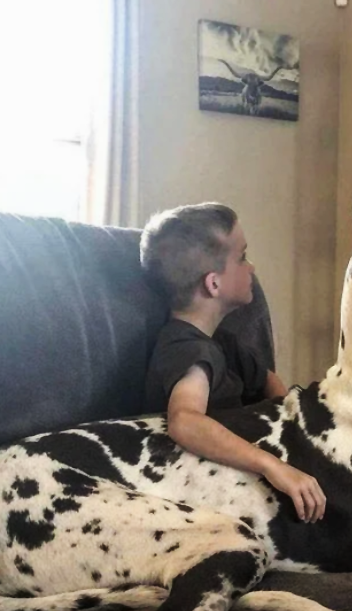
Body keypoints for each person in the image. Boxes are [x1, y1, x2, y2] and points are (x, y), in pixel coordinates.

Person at [140, 203, 326, 524]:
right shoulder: (186, 349)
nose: (252, 268)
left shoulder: (222, 342)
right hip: (197, 491)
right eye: (242, 257)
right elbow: (184, 419)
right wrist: (272, 465)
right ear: (213, 284)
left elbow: (269, 383)